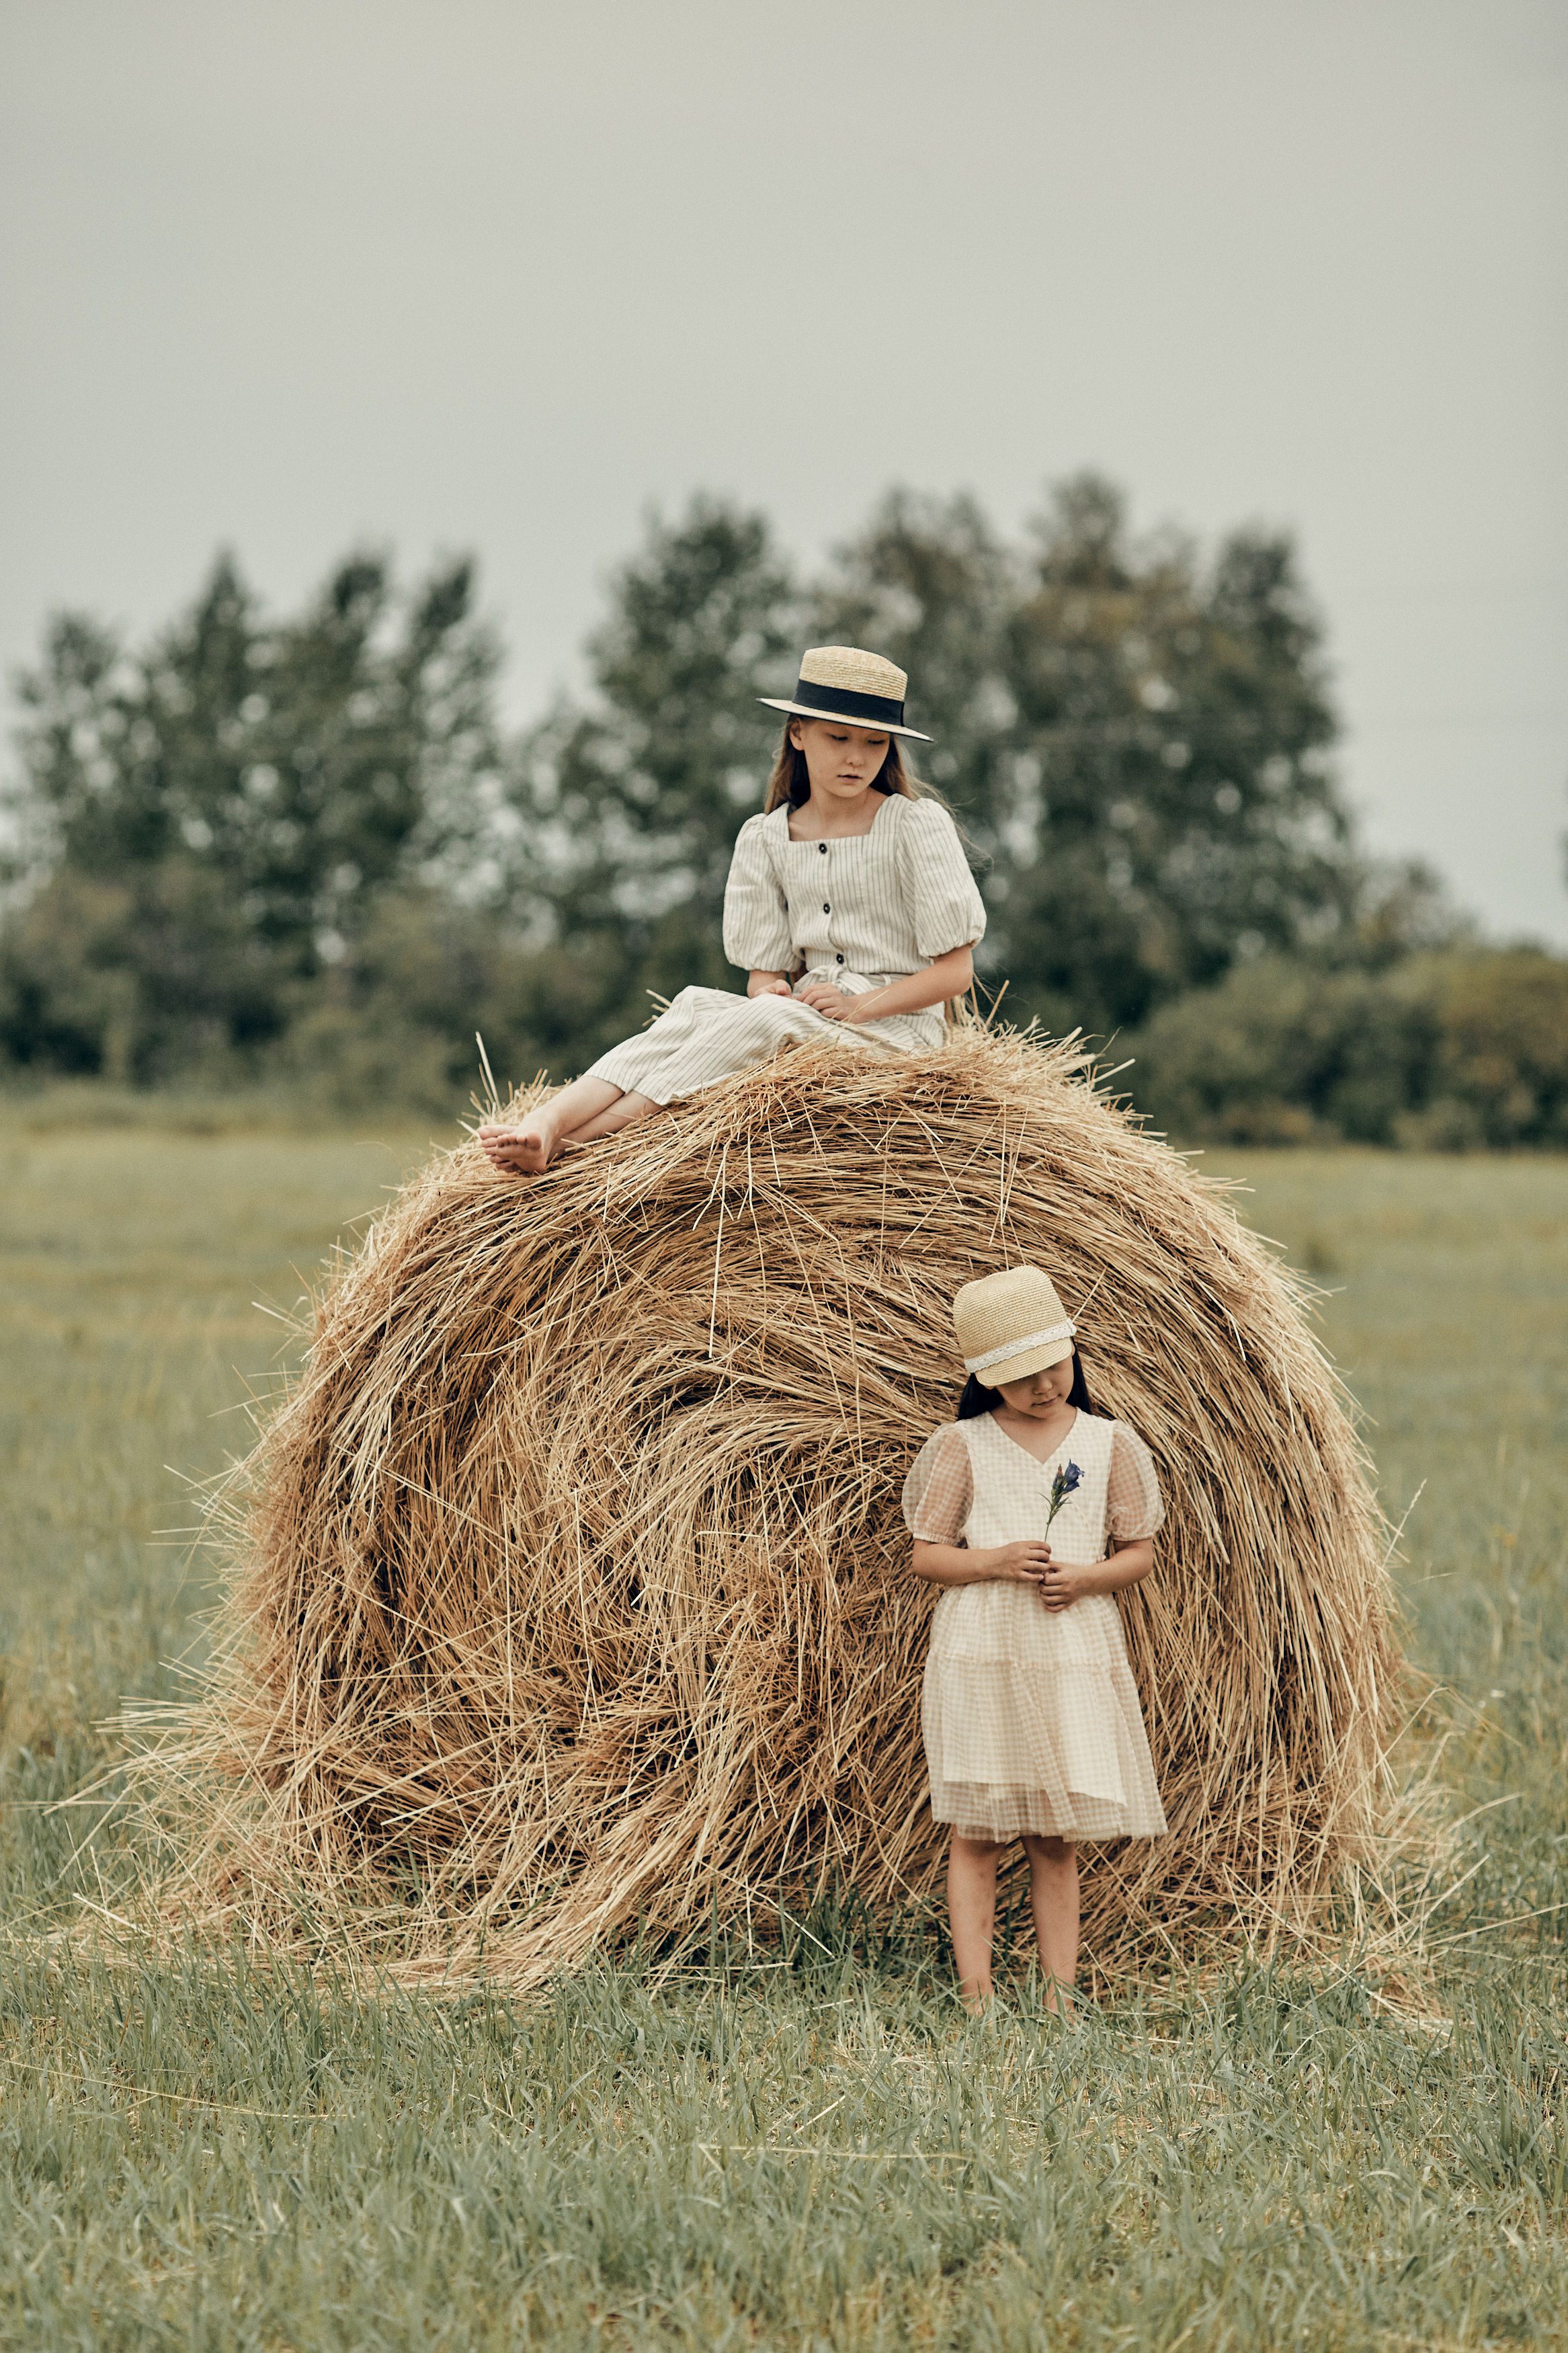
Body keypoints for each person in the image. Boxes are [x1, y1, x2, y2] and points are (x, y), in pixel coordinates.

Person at [479, 646, 986, 1174]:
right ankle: (548, 1118)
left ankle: (579, 1144)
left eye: (875, 743)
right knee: (696, 1004)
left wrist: (858, 1006)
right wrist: (772, 993)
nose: (856, 758)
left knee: (767, 1017)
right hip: (808, 1022)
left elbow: (955, 973)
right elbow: (763, 979)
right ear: (798, 733)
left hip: (897, 1035)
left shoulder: (914, 826)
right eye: (838, 738)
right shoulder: (766, 837)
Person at [902, 1265, 1167, 2012]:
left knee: (1055, 1838)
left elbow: (1137, 1550)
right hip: (982, 1651)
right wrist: (992, 1559)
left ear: (1072, 1350)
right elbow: (927, 1553)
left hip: (1066, 1651)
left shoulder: (1107, 1442)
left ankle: (1058, 1994)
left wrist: (1084, 1578)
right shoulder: (963, 1444)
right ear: (986, 1382)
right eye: (1020, 1380)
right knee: (976, 1833)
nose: (1043, 1386)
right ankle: (975, 1992)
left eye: (1053, 1366)